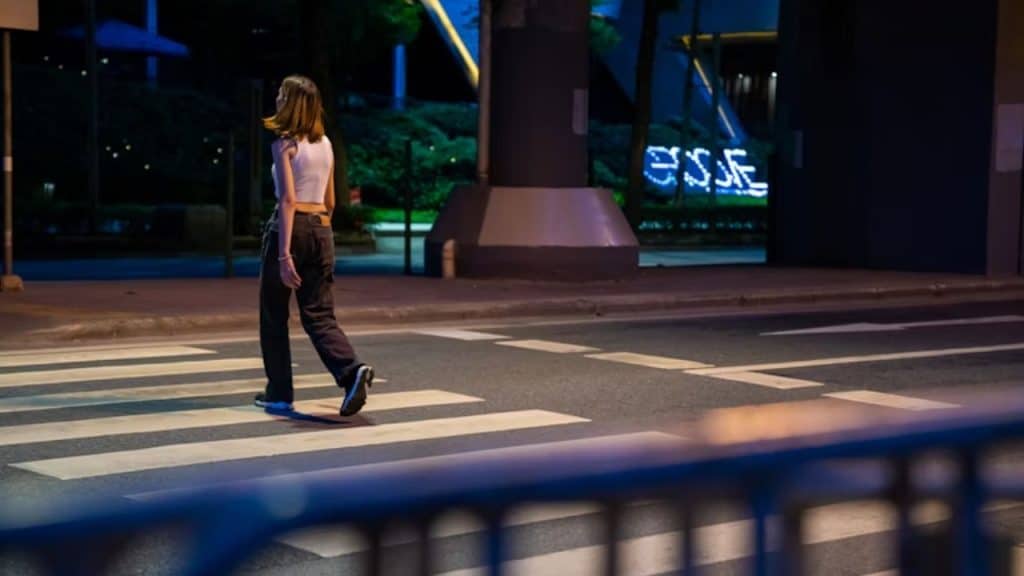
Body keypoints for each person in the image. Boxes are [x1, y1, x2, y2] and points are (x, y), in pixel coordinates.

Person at [254, 75, 373, 417]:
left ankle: (279, 393)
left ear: (290, 103)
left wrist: (284, 253)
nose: (276, 97)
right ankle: (351, 371)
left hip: (290, 229)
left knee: (274, 315)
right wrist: (321, 235)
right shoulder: (326, 145)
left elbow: (288, 200)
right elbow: (331, 201)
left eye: (281, 94)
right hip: (321, 227)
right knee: (319, 314)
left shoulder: (283, 145)